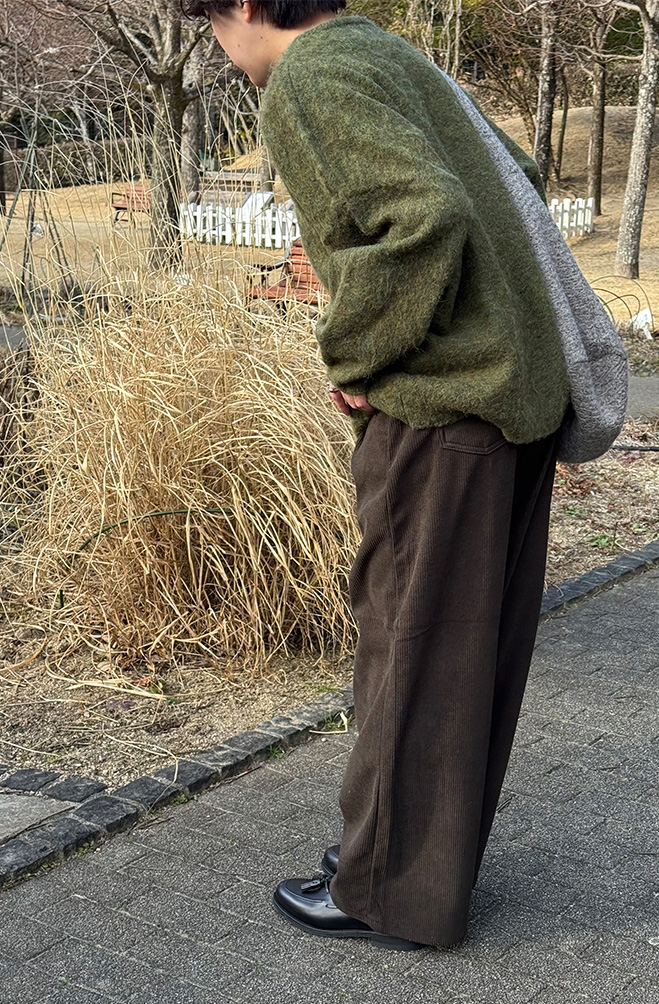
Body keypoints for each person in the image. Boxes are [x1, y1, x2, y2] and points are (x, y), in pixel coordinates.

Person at [181, 0, 571, 951]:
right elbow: (514, 178)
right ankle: (415, 871)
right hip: (512, 397)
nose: (220, 48)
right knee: (465, 661)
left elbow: (423, 220)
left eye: (210, 21)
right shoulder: (387, 54)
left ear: (244, 4)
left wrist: (357, 352)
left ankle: (388, 895)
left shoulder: (308, 76)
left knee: (410, 649)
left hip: (443, 407)